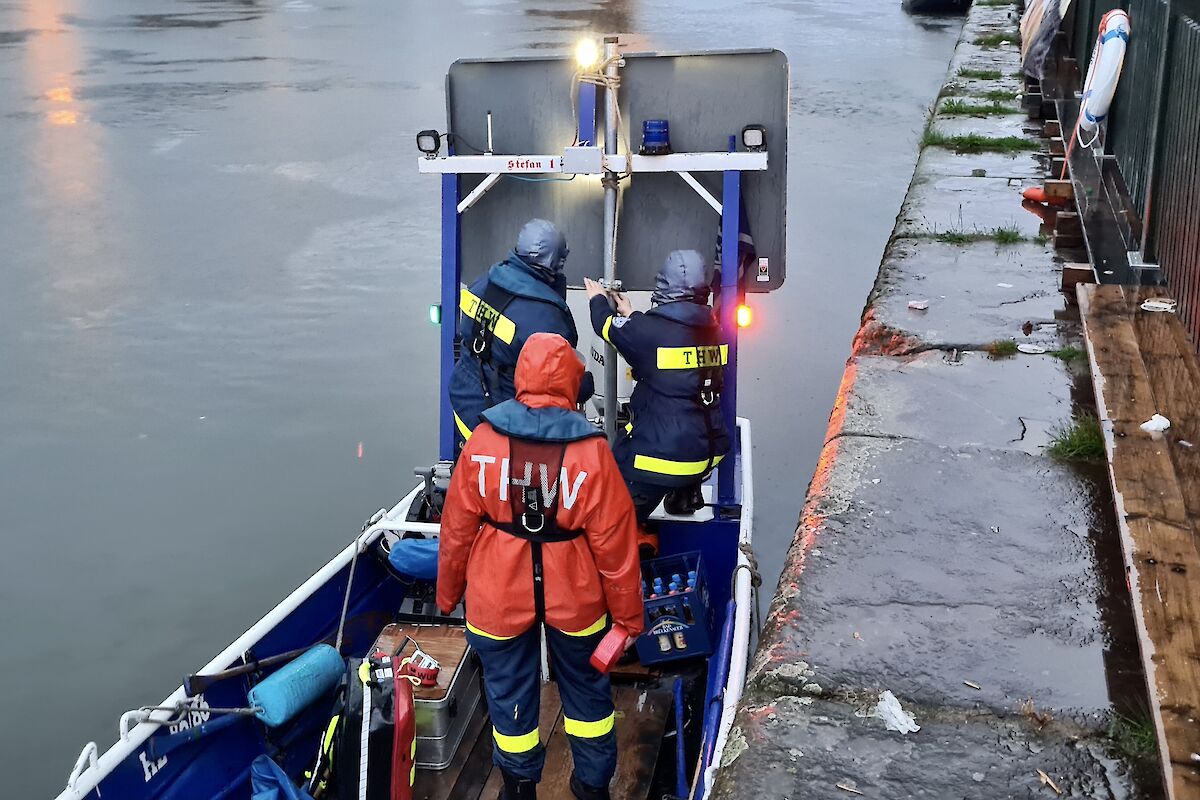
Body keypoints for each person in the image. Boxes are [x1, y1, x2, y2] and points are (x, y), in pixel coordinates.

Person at [438, 332, 644, 800]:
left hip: (497, 596)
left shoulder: (482, 441)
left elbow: (455, 532)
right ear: (574, 382)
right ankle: (591, 785)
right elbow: (616, 548)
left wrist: (448, 593)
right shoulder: (593, 453)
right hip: (577, 599)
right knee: (588, 694)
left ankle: (518, 785)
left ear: (520, 378)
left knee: (508, 695)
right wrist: (629, 618)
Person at [584, 250, 731, 551]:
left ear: (662, 286)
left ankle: (624, 547)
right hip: (708, 451)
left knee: (607, 518)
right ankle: (682, 495)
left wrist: (597, 298)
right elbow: (667, 338)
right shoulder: (717, 329)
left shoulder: (647, 333)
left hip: (661, 458)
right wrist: (633, 316)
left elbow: (604, 325)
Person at [449, 218, 592, 446]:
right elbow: (561, 380)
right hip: (502, 422)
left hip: (463, 399)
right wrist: (584, 385)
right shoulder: (546, 316)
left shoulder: (483, 282)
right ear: (556, 261)